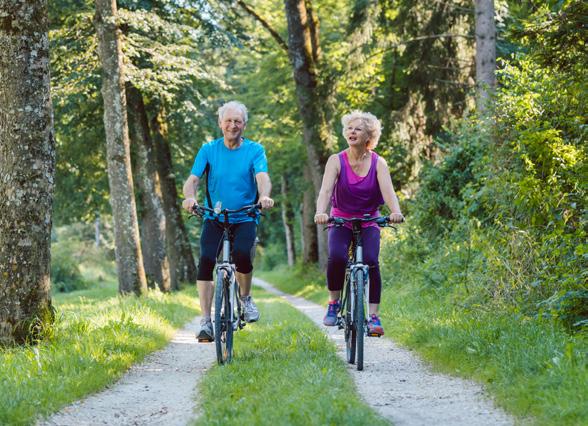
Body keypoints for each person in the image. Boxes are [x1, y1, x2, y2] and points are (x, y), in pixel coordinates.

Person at [182, 101, 274, 342]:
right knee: (205, 260)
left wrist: (264, 195)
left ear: (244, 125)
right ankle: (205, 321)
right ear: (220, 123)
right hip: (215, 216)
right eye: (229, 121)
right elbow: (192, 180)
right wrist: (190, 198)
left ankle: (245, 298)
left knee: (243, 253)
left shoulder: (255, 150)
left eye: (238, 121)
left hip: (245, 215)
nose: (233, 125)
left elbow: (262, 177)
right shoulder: (208, 150)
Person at [314, 111, 404, 336]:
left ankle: (373, 316)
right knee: (337, 257)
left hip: (368, 219)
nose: (352, 132)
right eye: (349, 128)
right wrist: (320, 212)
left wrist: (396, 212)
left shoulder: (378, 162)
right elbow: (325, 190)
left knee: (372, 261)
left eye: (358, 129)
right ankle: (334, 303)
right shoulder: (336, 160)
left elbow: (388, 191)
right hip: (341, 219)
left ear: (368, 137)